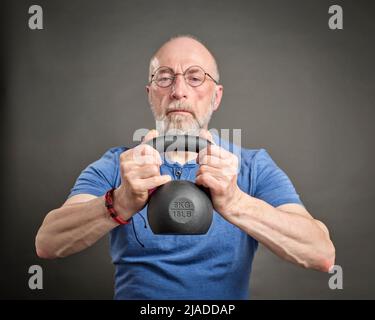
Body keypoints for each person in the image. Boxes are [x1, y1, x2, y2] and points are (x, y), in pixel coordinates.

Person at [35, 35, 335, 300]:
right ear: (150, 93)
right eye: (164, 78)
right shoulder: (119, 165)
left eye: (195, 77)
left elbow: (321, 254)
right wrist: (120, 201)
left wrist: (236, 203)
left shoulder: (252, 166)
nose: (178, 90)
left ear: (216, 96)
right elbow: (48, 243)